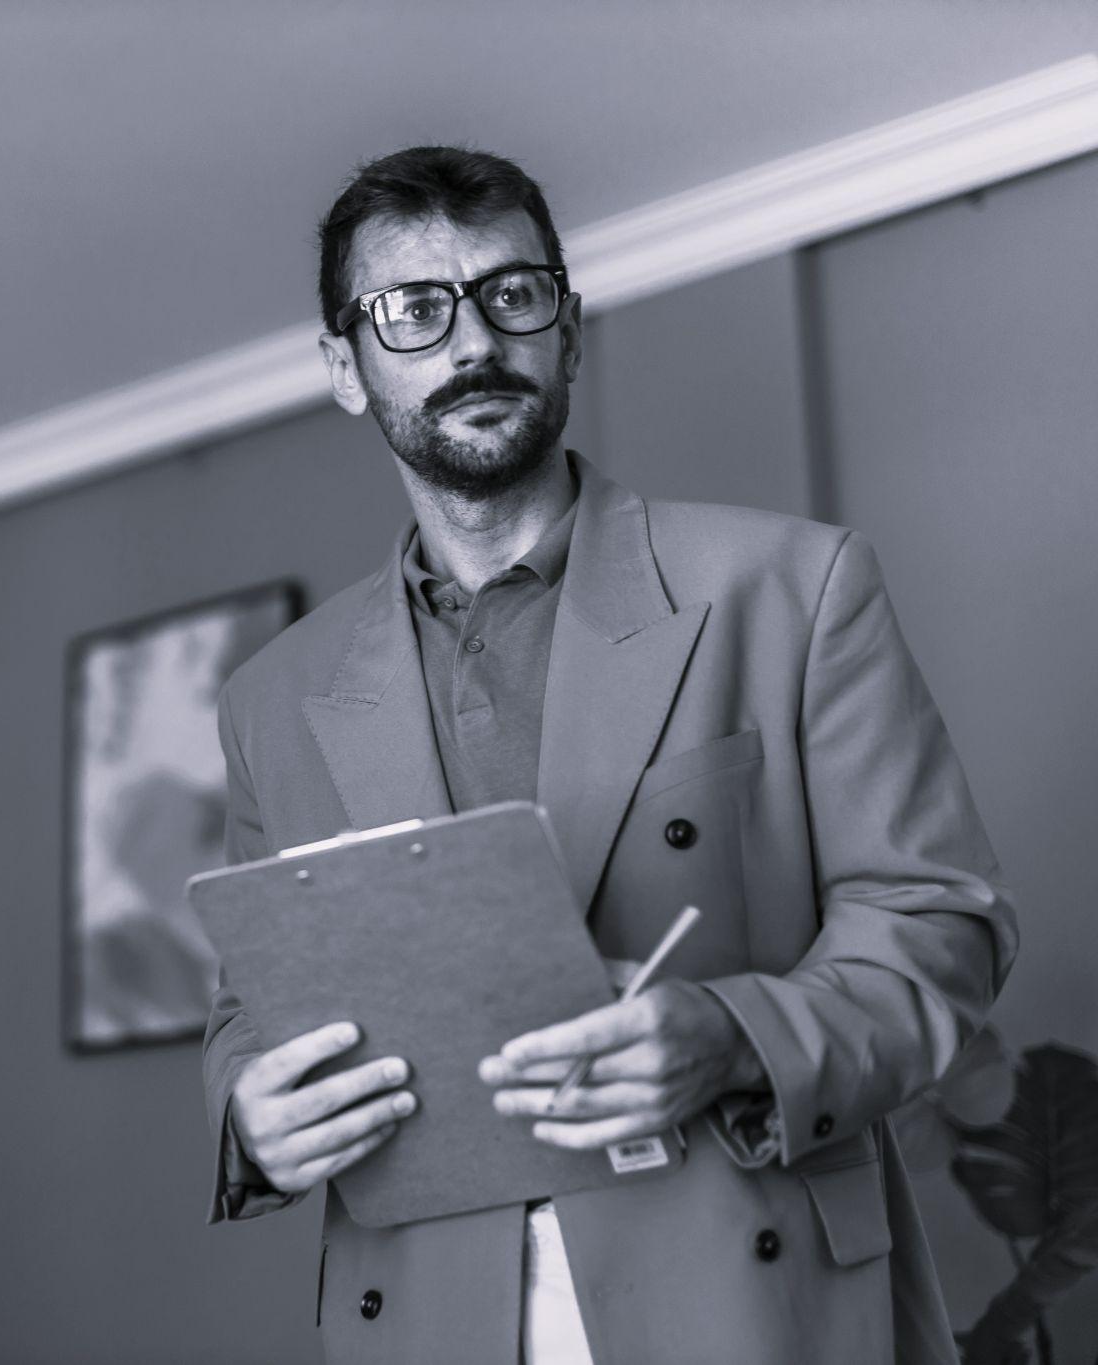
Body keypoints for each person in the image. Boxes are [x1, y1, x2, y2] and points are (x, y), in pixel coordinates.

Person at [200, 145, 1016, 1364]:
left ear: (566, 330)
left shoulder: (789, 588)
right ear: (342, 366)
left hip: (746, 1292)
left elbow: (938, 926)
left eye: (510, 293)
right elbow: (246, 1009)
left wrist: (735, 1038)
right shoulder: (271, 700)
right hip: (424, 1313)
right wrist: (247, 1121)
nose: (471, 342)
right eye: (411, 310)